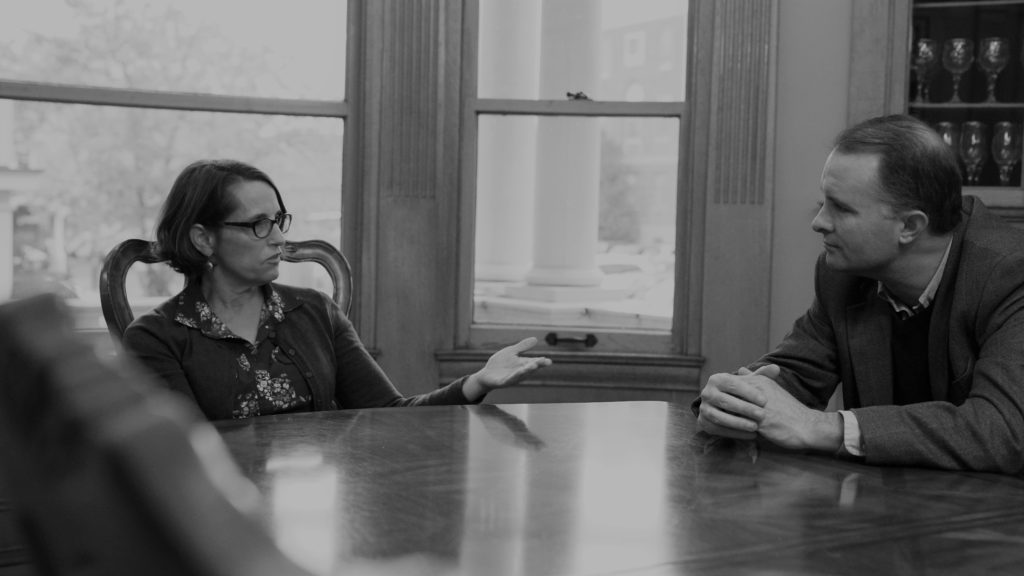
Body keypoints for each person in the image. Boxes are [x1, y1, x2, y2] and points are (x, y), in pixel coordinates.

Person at [696, 114, 1024, 474]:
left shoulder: (1010, 275)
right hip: (883, 511)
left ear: (910, 226)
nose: (818, 222)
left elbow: (1005, 430)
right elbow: (795, 375)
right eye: (823, 202)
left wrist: (821, 427)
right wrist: (731, 402)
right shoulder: (843, 275)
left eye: (841, 208)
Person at [123, 159, 552, 420]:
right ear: (203, 239)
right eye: (258, 225)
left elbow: (389, 416)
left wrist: (476, 383)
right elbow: (188, 461)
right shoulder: (156, 338)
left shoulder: (315, 311)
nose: (278, 239)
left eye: (279, 221)